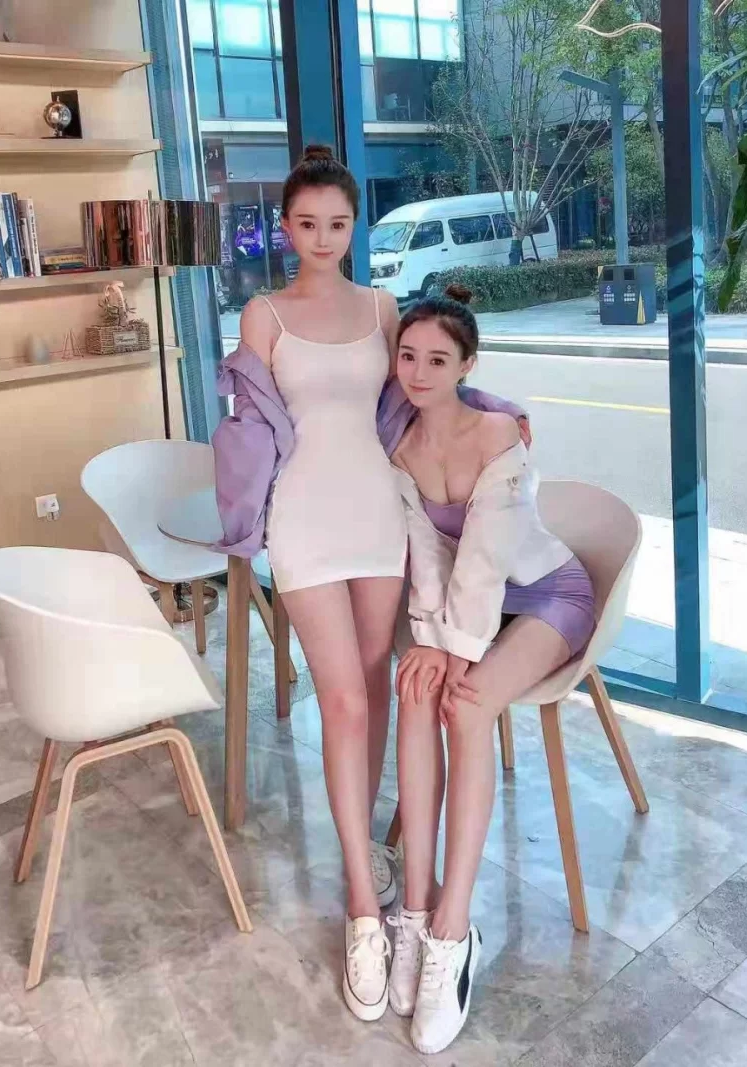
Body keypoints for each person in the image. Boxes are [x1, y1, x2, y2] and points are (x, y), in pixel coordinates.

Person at [386, 284, 596, 1055]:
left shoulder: (499, 433)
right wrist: (429, 642)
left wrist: (450, 647)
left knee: (467, 704)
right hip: (481, 608)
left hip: (546, 597)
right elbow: (428, 559)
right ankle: (414, 907)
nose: (418, 372)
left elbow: (483, 557)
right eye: (408, 356)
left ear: (468, 365)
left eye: (437, 359)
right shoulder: (401, 447)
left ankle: (453, 930)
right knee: (415, 692)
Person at [236, 145, 405, 1021]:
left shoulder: (382, 307)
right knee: (339, 698)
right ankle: (362, 906)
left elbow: (420, 399)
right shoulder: (263, 314)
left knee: (373, 687)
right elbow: (247, 429)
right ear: (286, 227)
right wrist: (243, 519)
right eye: (308, 223)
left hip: (378, 513)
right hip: (301, 516)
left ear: (354, 225)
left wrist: (498, 417)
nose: (324, 238)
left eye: (338, 223)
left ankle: (364, 846)